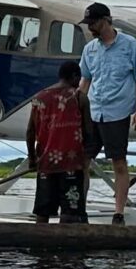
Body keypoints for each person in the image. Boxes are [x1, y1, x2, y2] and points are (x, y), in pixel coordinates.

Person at [77, 3, 136, 224]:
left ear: (106, 21)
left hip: (117, 112)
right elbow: (85, 80)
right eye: (88, 24)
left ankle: (119, 213)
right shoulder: (89, 49)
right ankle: (78, 208)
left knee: (119, 162)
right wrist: (75, 107)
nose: (90, 28)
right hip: (94, 111)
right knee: (82, 162)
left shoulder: (129, 44)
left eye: (94, 23)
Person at [25, 61, 90, 224]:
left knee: (43, 211)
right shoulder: (79, 97)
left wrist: (32, 159)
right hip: (72, 164)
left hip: (46, 163)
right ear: (75, 77)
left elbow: (30, 132)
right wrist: (86, 158)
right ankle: (66, 245)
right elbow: (89, 131)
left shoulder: (39, 98)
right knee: (70, 212)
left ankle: (39, 245)